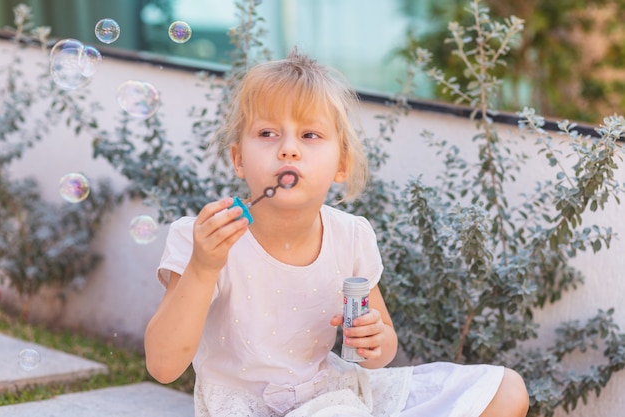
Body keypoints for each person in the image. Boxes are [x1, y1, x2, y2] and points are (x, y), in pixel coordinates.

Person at [144, 49, 530, 417]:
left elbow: (380, 350)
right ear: (238, 159)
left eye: (309, 135)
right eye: (267, 133)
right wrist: (203, 267)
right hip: (250, 407)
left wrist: (374, 340)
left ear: (342, 164)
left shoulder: (350, 235)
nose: (289, 149)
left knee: (505, 390)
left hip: (334, 395)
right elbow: (163, 366)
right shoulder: (205, 240)